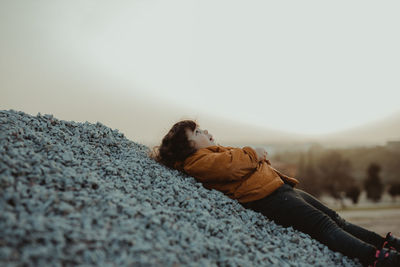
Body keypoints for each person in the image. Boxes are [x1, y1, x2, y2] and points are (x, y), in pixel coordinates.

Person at [151, 120, 400, 267]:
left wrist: (254, 158)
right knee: (324, 226)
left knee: (336, 218)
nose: (204, 132)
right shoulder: (197, 162)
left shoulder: (208, 154)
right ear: (189, 146)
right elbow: (232, 165)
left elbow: (232, 163)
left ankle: (383, 243)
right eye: (197, 133)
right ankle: (375, 258)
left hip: (279, 189)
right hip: (268, 198)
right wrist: (253, 153)